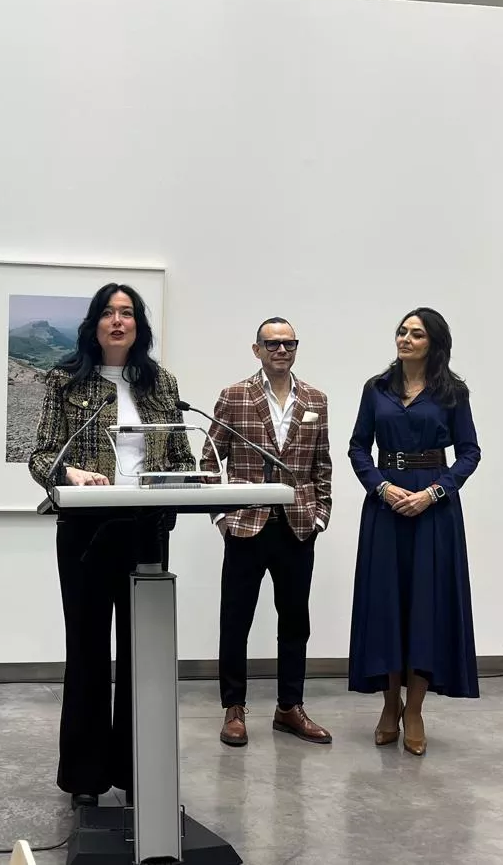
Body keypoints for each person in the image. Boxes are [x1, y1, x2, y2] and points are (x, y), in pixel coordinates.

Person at [27, 282, 196, 810]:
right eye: (108, 313)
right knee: (88, 651)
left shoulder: (161, 383)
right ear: (94, 325)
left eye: (127, 313)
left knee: (142, 652)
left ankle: (136, 770)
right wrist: (70, 472)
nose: (118, 322)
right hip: (86, 532)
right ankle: (85, 776)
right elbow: (41, 456)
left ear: (139, 325)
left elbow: (183, 458)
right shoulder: (64, 381)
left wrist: (177, 480)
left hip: (146, 528)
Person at [347, 307, 481, 756]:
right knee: (387, 603)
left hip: (433, 509)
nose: (404, 339)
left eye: (415, 334)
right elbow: (357, 447)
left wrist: (433, 495)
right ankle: (389, 704)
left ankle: (415, 709)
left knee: (425, 605)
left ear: (433, 343)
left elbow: (468, 453)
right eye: (401, 331)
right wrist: (381, 488)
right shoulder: (377, 389)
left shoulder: (452, 393)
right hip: (385, 505)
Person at [200, 317, 333, 748]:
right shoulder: (235, 395)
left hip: (297, 526)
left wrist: (320, 516)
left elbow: (322, 464)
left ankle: (289, 707)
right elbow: (209, 458)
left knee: (295, 621)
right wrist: (219, 516)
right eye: (272, 344)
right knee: (235, 620)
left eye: (289, 343)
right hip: (245, 525)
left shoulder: (316, 399)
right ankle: (234, 708)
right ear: (256, 349)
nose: (282, 350)